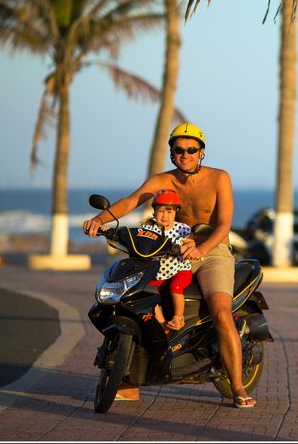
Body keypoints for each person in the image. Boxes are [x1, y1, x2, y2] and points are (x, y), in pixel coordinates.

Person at [83, 123, 256, 409]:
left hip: (211, 251)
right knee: (137, 303)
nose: (185, 154)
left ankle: (237, 386)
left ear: (201, 152)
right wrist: (100, 219)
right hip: (168, 251)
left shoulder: (219, 177)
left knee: (221, 312)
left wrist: (201, 248)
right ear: (172, 153)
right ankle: (128, 381)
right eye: (179, 150)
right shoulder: (162, 180)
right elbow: (131, 200)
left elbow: (224, 223)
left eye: (191, 150)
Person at [142, 189, 191, 332]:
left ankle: (179, 317)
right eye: (161, 211)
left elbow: (191, 242)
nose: (165, 216)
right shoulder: (148, 229)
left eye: (169, 212)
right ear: (154, 211)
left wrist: (186, 247)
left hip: (180, 269)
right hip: (159, 273)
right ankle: (162, 324)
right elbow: (138, 240)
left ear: (176, 212)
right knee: (148, 293)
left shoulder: (181, 229)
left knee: (176, 287)